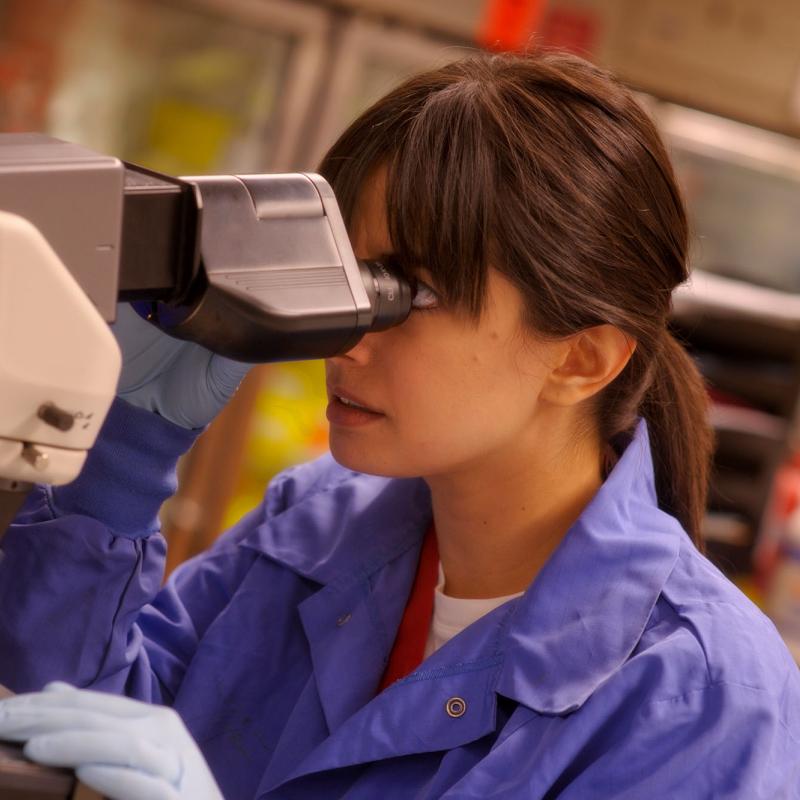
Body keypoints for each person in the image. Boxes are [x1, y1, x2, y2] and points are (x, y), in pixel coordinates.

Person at [0, 51, 797, 800]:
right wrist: (123, 462)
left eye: (408, 293)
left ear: (582, 359)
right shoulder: (314, 528)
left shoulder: (701, 699)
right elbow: (64, 727)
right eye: (352, 277)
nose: (349, 335)